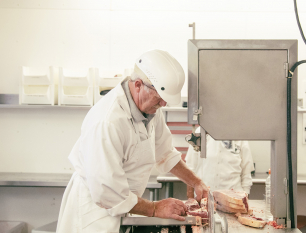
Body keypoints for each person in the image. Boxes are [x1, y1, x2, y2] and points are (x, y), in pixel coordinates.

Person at [56, 49, 209, 233]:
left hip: (123, 206)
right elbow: (108, 193)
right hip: (95, 215)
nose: (163, 105)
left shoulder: (150, 110)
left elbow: (165, 153)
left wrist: (196, 182)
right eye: (160, 98)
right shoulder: (107, 122)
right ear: (138, 85)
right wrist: (154, 208)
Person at [185, 127, 254, 198]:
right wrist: (191, 198)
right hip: (205, 197)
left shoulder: (240, 134)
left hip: (234, 198)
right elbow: (190, 168)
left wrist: (245, 201)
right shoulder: (200, 131)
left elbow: (246, 171)